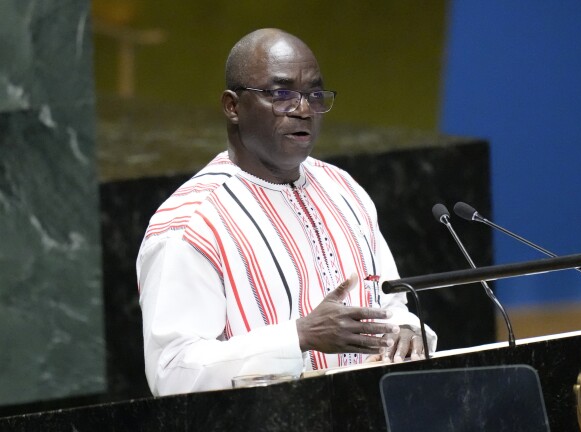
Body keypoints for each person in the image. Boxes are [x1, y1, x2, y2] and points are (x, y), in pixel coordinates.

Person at [136, 28, 436, 396]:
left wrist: (405, 331)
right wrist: (298, 337)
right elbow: (172, 374)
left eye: (314, 94)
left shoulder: (344, 190)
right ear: (232, 106)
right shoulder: (191, 223)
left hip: (369, 423)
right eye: (281, 94)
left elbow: (391, 303)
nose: (304, 110)